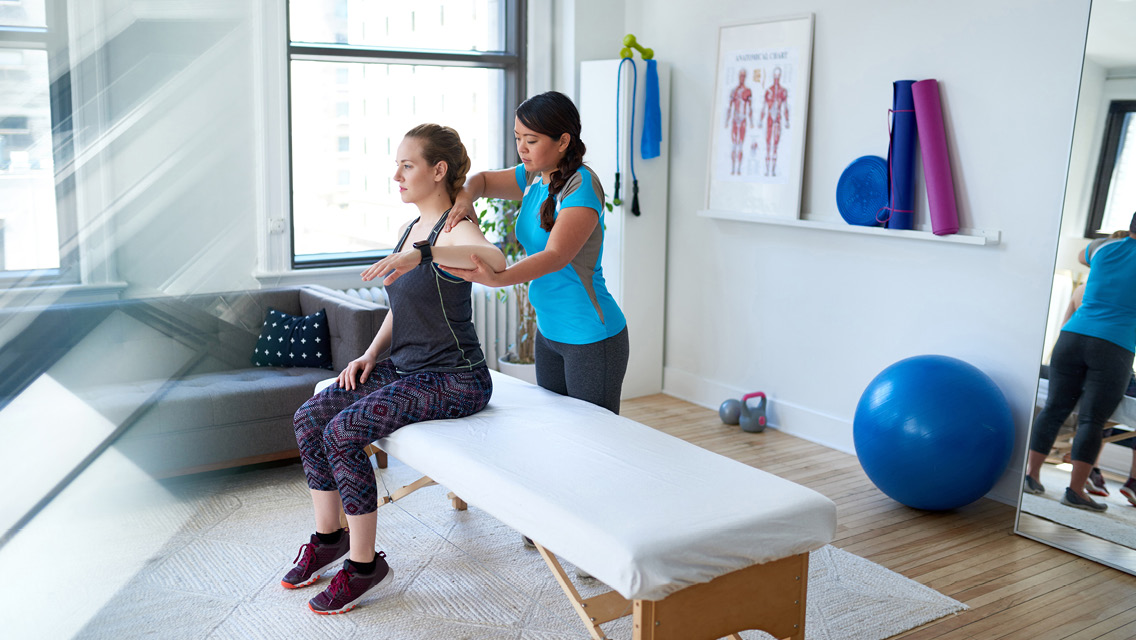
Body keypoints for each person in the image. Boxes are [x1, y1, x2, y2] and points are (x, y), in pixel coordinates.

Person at [282, 124, 506, 615]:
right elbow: (400, 305)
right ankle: (329, 537)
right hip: (406, 367)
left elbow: (495, 258)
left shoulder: (454, 226)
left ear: (438, 170)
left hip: (456, 378)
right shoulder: (410, 229)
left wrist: (424, 253)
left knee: (343, 433)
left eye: (407, 165)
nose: (397, 175)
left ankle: (364, 566)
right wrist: (369, 354)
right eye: (397, 165)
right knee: (309, 417)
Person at [441, 90, 630, 415]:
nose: (522, 148)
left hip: (589, 337)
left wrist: (497, 278)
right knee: (555, 432)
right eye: (518, 138)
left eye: (531, 140)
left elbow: (556, 255)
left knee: (594, 438)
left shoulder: (581, 185)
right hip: (549, 332)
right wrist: (465, 198)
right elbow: (481, 180)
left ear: (563, 141)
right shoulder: (533, 177)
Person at [1026, 213, 1136, 512]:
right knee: (1092, 420)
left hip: (1072, 337)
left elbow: (1081, 256)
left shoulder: (1102, 247)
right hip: (1113, 345)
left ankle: (1031, 476)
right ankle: (1075, 492)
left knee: (1054, 408)